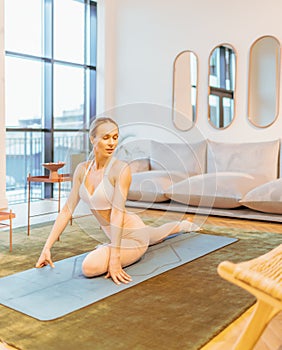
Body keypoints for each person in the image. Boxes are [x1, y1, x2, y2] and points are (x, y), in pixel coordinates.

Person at [36, 117, 200, 285]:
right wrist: (46, 248)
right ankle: (183, 225)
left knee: (89, 266)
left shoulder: (120, 169)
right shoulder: (81, 170)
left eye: (115, 137)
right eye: (106, 137)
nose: (111, 143)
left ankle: (183, 226)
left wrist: (115, 257)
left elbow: (117, 212)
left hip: (133, 233)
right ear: (93, 139)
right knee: (156, 234)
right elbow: (66, 211)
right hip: (119, 232)